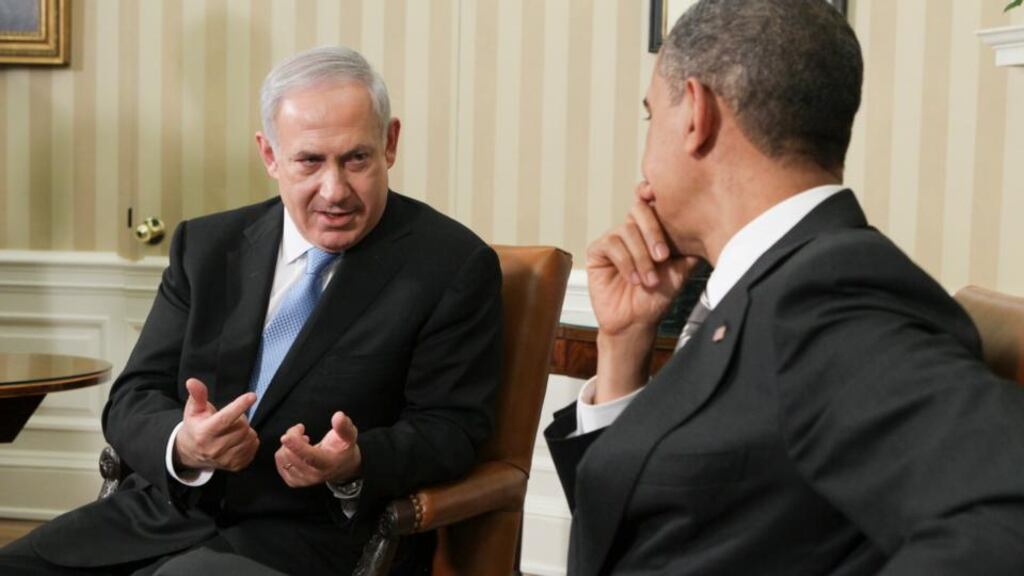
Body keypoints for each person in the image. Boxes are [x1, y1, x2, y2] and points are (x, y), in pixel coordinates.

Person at [545, 1, 1024, 574]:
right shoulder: (765, 279)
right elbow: (658, 518)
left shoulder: (830, 294)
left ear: (695, 114)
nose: (645, 161)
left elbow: (1004, 506)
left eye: (652, 118)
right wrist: (623, 349)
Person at [0, 46, 501, 575]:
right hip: (165, 514)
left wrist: (354, 462)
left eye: (356, 159)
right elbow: (133, 397)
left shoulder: (451, 264)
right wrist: (185, 444)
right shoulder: (208, 246)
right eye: (309, 161)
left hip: (317, 535)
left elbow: (451, 429)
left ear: (390, 142)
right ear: (269, 155)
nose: (335, 191)